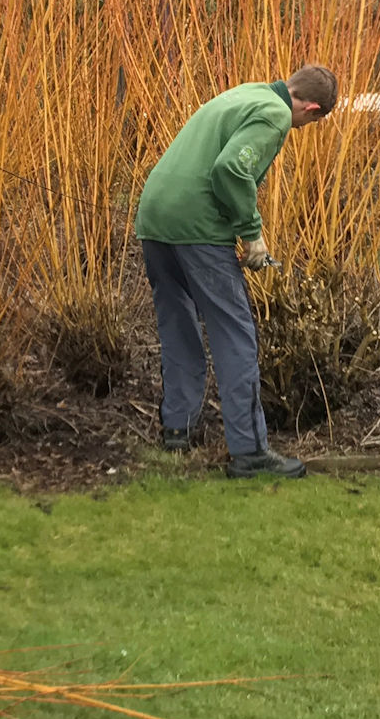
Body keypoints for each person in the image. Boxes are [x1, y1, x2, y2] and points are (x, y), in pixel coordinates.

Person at [135, 65, 338, 478]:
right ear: (311, 107)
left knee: (179, 329)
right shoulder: (275, 114)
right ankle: (250, 453)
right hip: (197, 228)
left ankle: (178, 428)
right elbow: (231, 169)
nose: (301, 128)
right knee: (235, 335)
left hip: (154, 219)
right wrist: (253, 235)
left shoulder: (248, 92)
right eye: (309, 122)